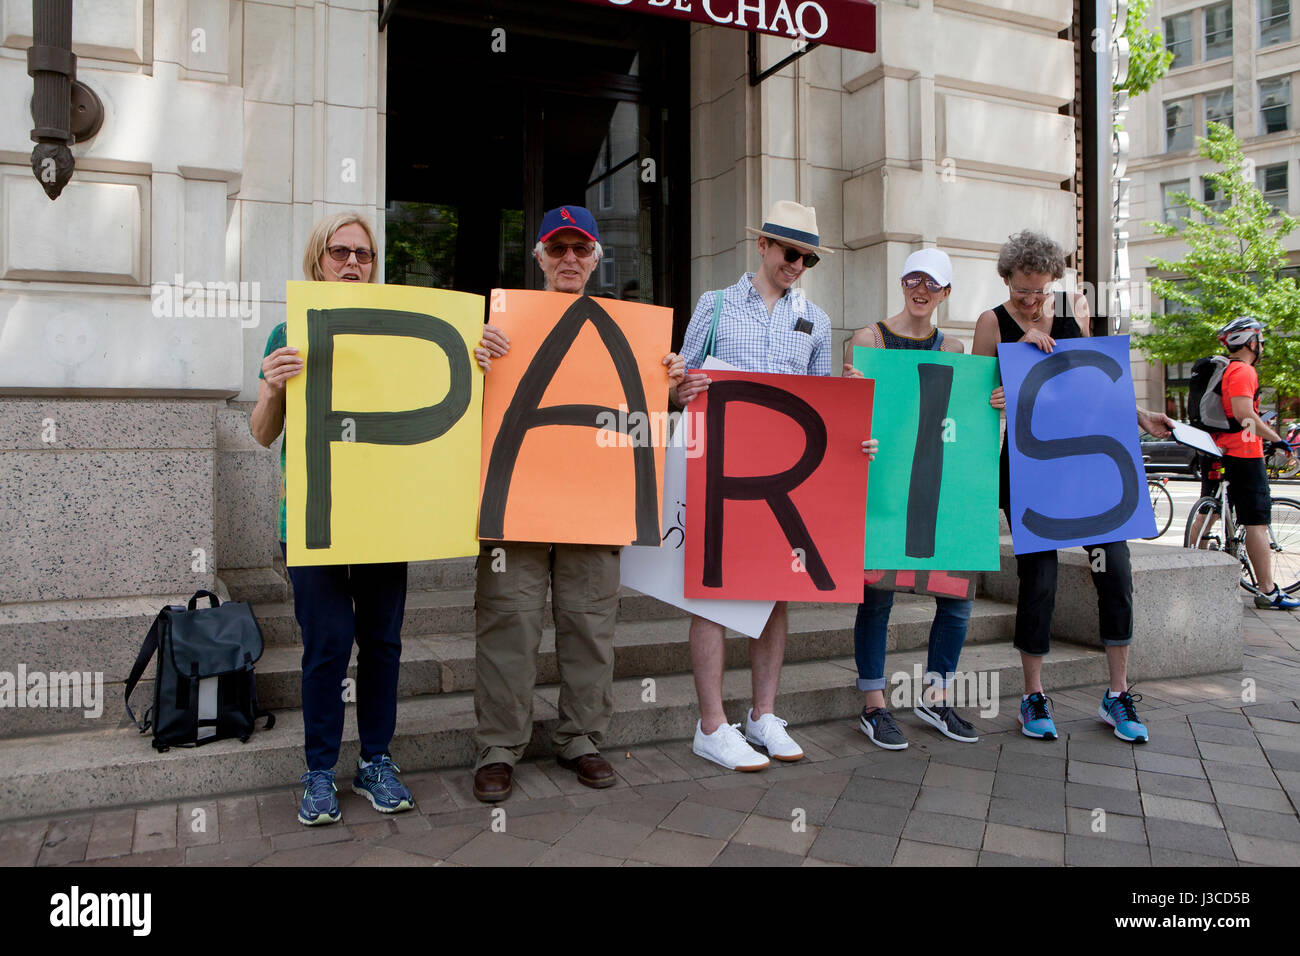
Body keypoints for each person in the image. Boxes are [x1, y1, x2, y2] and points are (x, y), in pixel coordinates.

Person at [469, 205, 685, 802]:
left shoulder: (632, 337)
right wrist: (476, 357)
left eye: (580, 249)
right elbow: (473, 409)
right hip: (518, 507)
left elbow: (645, 424)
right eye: (557, 248)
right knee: (507, 622)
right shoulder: (501, 330)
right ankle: (498, 746)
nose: (569, 259)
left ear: (595, 259)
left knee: (590, 625)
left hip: (594, 506)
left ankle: (582, 739)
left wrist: (667, 385)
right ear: (538, 256)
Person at [674, 200, 876, 771]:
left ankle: (763, 716)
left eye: (807, 257)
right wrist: (679, 390)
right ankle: (711, 725)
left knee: (775, 590)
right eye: (790, 252)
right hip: (719, 467)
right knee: (709, 591)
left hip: (782, 477)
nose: (797, 264)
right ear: (762, 246)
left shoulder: (814, 319)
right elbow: (677, 383)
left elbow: (819, 406)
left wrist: (853, 427)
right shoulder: (713, 307)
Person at [973, 230, 1175, 745]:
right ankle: (1033, 695)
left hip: (1084, 470)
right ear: (1005, 279)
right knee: (1038, 580)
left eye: (1041, 291)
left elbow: (1091, 390)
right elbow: (969, 403)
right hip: (1028, 475)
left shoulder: (1072, 314)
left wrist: (1139, 414)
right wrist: (997, 383)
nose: (1033, 301)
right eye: (1023, 292)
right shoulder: (991, 324)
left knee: (1115, 568)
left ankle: (1117, 692)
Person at [250, 211, 414, 825]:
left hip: (382, 519)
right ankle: (319, 771)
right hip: (314, 522)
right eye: (340, 252)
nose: (352, 263)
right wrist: (270, 390)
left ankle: (375, 760)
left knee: (382, 645)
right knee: (325, 647)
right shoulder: (288, 334)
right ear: (317, 260)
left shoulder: (399, 338)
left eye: (364, 255)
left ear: (374, 267)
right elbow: (264, 436)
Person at [842, 248, 978, 749]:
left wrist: (993, 400)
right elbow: (848, 417)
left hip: (935, 481)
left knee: (956, 597)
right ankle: (873, 705)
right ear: (902, 283)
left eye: (932, 284)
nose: (920, 290)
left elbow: (958, 421)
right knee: (877, 596)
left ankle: (936, 696)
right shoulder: (867, 340)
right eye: (912, 279)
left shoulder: (955, 348)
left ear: (945, 293)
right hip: (881, 481)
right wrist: (849, 393)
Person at [1203, 318, 1300, 610]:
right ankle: (1268, 590)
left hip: (1219, 449)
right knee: (1256, 522)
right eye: (1259, 339)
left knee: (1210, 510)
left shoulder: (1225, 370)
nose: (1261, 345)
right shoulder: (1244, 370)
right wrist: (1278, 439)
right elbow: (1246, 415)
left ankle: (1192, 565)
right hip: (1244, 454)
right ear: (1250, 342)